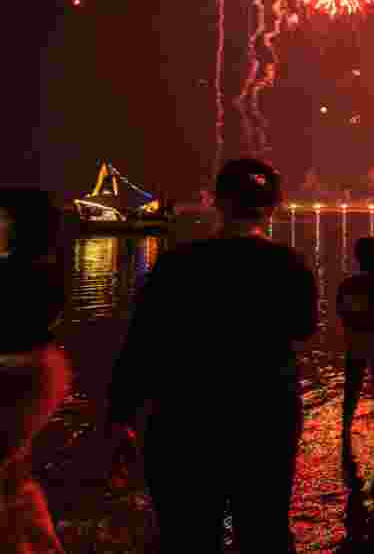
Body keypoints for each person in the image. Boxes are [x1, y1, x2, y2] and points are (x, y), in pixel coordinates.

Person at [105, 159, 318, 553]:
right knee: (263, 530)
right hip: (265, 420)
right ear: (273, 207)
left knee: (188, 534)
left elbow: (142, 345)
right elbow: (303, 328)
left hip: (186, 423)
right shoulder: (291, 265)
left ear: (218, 201)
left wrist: (121, 417)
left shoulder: (177, 265)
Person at [0, 188, 70, 553]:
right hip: (40, 370)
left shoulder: (24, 273)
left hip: (23, 371)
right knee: (14, 480)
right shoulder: (44, 269)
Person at [337, 237, 374, 477]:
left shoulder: (347, 284)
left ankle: (345, 430)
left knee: (352, 386)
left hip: (355, 340)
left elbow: (342, 312)